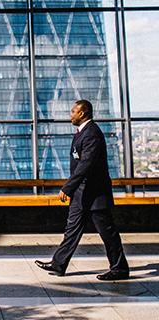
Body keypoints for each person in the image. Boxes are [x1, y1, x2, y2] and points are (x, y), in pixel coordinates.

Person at [35, 99, 129, 280]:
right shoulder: (83, 133)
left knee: (107, 232)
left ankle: (120, 269)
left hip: (94, 194)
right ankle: (58, 264)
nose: (70, 115)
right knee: (72, 229)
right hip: (82, 194)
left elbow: (85, 165)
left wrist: (68, 187)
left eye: (72, 112)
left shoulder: (92, 134)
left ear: (82, 113)